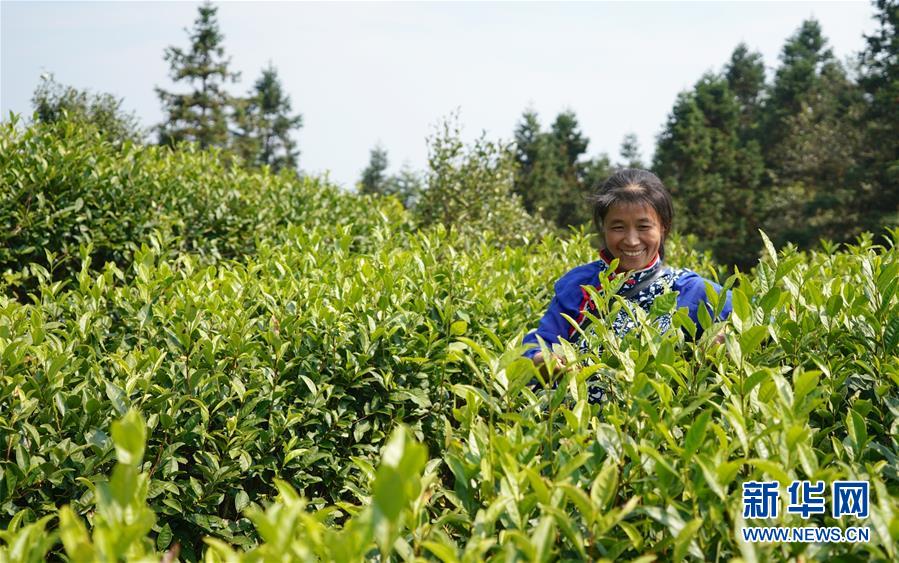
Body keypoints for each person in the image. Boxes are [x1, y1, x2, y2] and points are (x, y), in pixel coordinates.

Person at [523, 168, 732, 404]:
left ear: (663, 227)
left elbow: (762, 321)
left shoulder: (693, 291)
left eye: (644, 227)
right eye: (618, 227)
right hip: (576, 429)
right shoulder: (580, 285)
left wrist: (723, 340)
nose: (632, 240)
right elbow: (542, 341)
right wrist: (542, 359)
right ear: (603, 227)